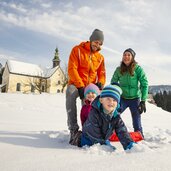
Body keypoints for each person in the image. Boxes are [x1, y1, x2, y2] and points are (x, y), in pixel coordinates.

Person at [66, 29, 106, 145]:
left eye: (100, 43)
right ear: (91, 39)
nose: (97, 45)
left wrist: (101, 83)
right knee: (70, 92)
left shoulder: (100, 57)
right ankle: (73, 129)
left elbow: (102, 73)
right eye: (96, 42)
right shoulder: (77, 50)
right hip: (75, 83)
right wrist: (80, 85)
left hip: (90, 87)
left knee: (88, 106)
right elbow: (71, 68)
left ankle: (88, 130)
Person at [79, 84, 134, 150]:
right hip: (88, 140)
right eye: (108, 99)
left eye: (114, 100)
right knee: (108, 149)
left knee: (111, 147)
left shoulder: (116, 116)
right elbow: (93, 133)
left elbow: (122, 131)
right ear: (101, 100)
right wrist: (104, 146)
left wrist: (130, 145)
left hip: (103, 139)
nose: (111, 102)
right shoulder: (94, 113)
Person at [110, 48, 148, 136]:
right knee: (113, 113)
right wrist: (114, 97)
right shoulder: (119, 69)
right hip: (122, 98)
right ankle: (111, 133)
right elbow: (113, 83)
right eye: (124, 55)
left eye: (128, 55)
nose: (126, 57)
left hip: (135, 99)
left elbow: (144, 84)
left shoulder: (138, 69)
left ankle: (139, 135)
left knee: (136, 119)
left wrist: (143, 101)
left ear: (132, 57)